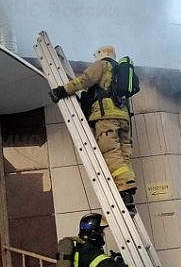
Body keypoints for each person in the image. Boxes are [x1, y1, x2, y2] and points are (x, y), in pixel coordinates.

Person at [49, 46, 138, 213]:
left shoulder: (103, 65)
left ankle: (124, 191)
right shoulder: (121, 74)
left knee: (111, 152)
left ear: (99, 55)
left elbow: (85, 79)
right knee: (124, 156)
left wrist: (62, 90)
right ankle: (129, 195)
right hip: (123, 120)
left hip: (107, 119)